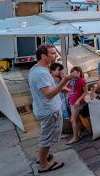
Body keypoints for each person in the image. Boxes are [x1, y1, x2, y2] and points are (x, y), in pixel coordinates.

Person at [28, 44, 77, 173]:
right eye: (53, 53)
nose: (56, 56)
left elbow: (48, 88)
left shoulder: (39, 68)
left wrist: (62, 88)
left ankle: (43, 157)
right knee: (47, 138)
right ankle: (44, 164)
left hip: (44, 109)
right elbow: (49, 94)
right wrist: (65, 80)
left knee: (48, 136)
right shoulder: (41, 73)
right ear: (43, 56)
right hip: (49, 111)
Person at [66, 66, 86, 145]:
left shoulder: (82, 80)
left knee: (72, 119)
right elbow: (65, 87)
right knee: (76, 119)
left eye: (75, 72)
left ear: (79, 72)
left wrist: (78, 100)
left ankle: (75, 137)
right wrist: (69, 78)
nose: (74, 74)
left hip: (77, 103)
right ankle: (79, 133)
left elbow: (85, 92)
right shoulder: (71, 80)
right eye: (72, 72)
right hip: (72, 102)